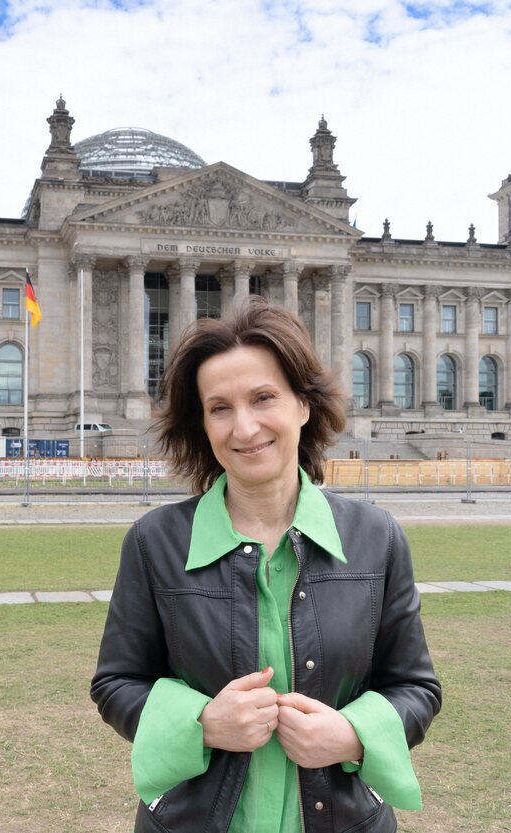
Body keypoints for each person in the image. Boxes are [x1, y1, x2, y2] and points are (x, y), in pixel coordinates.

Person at [91, 298, 441, 833]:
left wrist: (350, 734)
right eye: (220, 408)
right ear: (203, 425)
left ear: (303, 404)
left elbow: (415, 687)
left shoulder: (376, 538)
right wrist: (202, 722)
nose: (245, 427)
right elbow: (118, 682)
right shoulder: (155, 541)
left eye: (263, 398)